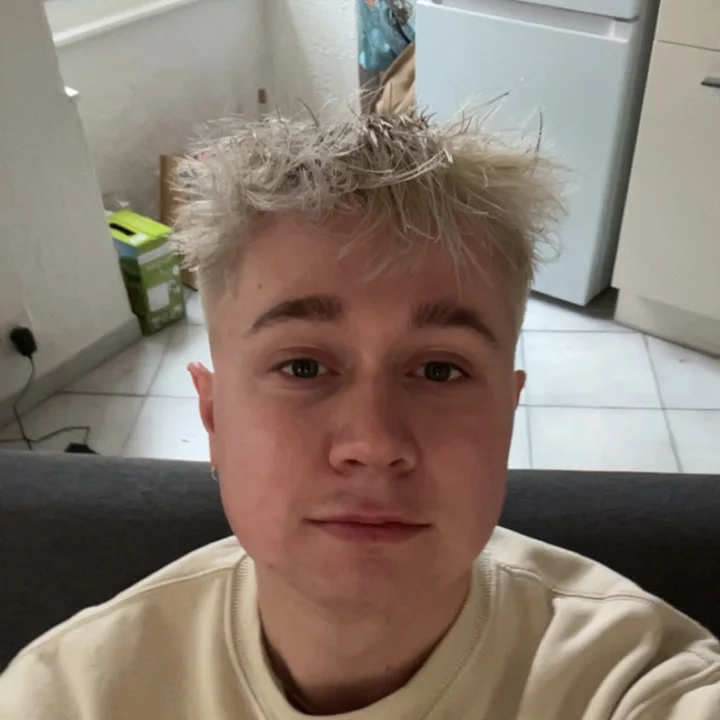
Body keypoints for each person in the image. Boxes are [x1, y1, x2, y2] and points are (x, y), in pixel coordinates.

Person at [1, 111, 718, 719]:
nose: (374, 443)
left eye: (440, 370)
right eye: (303, 367)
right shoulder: (69, 694)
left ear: (508, 414)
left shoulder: (632, 680)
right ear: (213, 417)